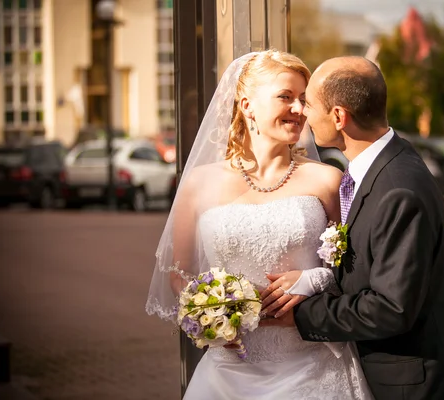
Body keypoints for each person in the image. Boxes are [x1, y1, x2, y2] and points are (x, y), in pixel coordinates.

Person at [145, 50, 374, 399]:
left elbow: (353, 269)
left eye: (303, 99)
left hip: (312, 365)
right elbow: (180, 272)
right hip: (229, 372)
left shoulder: (328, 180)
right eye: (285, 97)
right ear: (247, 105)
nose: (299, 110)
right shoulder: (198, 184)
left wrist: (313, 279)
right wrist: (208, 315)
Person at [260, 56, 444, 400]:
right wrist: (313, 279)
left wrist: (300, 314)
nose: (302, 113)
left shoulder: (399, 189)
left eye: (310, 104)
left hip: (413, 387)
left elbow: (391, 308)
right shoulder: (379, 166)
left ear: (339, 116)